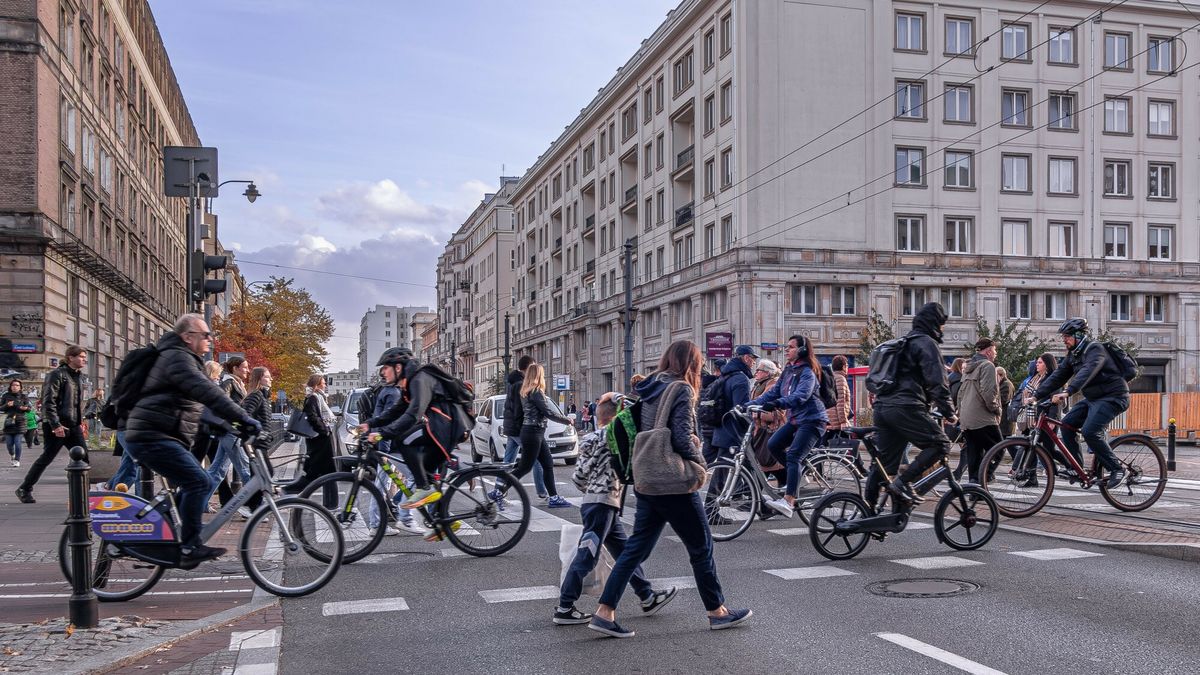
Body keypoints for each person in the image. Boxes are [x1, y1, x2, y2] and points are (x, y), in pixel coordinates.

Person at [589, 340, 751, 638]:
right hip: (672, 482)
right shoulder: (681, 389)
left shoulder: (651, 386)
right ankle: (717, 612)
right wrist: (700, 462)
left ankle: (604, 611)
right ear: (692, 363)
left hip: (647, 476)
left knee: (635, 549)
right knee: (701, 547)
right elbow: (681, 436)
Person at [120, 314, 261, 564]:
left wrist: (229, 425)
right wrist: (245, 418)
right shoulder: (178, 358)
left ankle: (168, 534)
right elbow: (207, 393)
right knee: (199, 482)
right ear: (187, 337)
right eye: (205, 335)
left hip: (159, 435)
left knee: (194, 483)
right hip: (151, 436)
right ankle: (189, 547)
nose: (210, 339)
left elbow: (197, 406)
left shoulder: (185, 359)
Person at [554, 394, 677, 625]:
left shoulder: (590, 438)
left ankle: (647, 595)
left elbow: (578, 478)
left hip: (595, 502)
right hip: (603, 504)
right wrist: (620, 399)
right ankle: (565, 606)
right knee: (587, 556)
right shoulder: (615, 434)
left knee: (624, 553)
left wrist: (591, 487)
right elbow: (635, 411)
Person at [868, 302, 958, 506]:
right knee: (940, 444)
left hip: (882, 407)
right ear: (935, 323)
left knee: (885, 463)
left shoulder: (903, 343)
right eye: (942, 324)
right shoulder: (926, 343)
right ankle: (903, 484)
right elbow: (937, 382)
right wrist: (949, 412)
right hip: (905, 407)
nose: (942, 329)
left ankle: (868, 508)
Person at [361, 348, 466, 514]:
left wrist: (383, 433)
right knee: (428, 476)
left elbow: (412, 415)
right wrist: (370, 423)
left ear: (398, 367)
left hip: (446, 427)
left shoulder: (419, 380)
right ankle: (443, 521)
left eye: (385, 367)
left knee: (403, 440)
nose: (382, 372)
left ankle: (423, 488)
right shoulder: (410, 384)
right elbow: (395, 411)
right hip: (443, 428)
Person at [1035, 318, 1130, 488]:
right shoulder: (1073, 355)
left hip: (1113, 397)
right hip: (1094, 398)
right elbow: (1058, 376)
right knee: (1066, 425)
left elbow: (1088, 371)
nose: (1064, 340)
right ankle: (1077, 468)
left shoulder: (1095, 349)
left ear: (1079, 335)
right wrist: (1036, 396)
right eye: (1063, 336)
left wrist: (1068, 391)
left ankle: (1117, 469)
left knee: (1090, 431)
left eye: (1067, 336)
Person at [746, 335, 828, 515]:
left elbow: (801, 396)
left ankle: (789, 501)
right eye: (787, 346)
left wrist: (777, 403)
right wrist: (748, 404)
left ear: (802, 350)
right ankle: (795, 475)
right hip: (796, 420)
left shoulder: (807, 372)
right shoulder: (788, 371)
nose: (786, 349)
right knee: (773, 444)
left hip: (812, 420)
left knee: (793, 456)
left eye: (791, 347)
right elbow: (773, 392)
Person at [16, 345, 88, 504]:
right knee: (47, 457)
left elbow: (75, 404)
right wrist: (56, 425)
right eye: (81, 357)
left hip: (73, 425)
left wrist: (79, 422)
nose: (84, 360)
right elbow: (49, 402)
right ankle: (25, 488)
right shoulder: (57, 375)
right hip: (57, 425)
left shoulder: (78, 376)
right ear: (71, 357)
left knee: (84, 458)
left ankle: (83, 494)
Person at [495, 362, 572, 508]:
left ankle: (554, 497)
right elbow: (547, 412)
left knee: (547, 464)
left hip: (533, 432)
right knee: (525, 467)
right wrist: (566, 420)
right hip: (533, 432)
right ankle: (499, 491)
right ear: (538, 375)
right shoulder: (536, 392)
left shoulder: (526, 391)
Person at [366, 361, 423, 535]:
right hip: (391, 447)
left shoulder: (386, 391)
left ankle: (377, 524)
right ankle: (403, 518)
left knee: (380, 485)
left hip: (386, 446)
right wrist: (384, 450)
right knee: (414, 477)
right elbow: (390, 420)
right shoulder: (393, 393)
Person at [205, 357, 254, 516]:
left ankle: (200, 502)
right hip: (231, 433)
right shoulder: (228, 383)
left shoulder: (236, 382)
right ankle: (254, 505)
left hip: (231, 432)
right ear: (235, 369)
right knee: (245, 469)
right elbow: (223, 407)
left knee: (217, 470)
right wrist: (237, 423)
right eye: (244, 367)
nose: (247, 370)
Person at [285, 374, 338, 504]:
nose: (325, 385)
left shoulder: (317, 397)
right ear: (317, 385)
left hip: (319, 440)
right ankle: (286, 491)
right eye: (323, 383)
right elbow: (313, 417)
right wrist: (324, 430)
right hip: (320, 441)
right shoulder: (314, 397)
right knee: (318, 473)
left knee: (325, 473)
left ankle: (330, 504)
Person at [957, 338, 1002, 484]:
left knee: (974, 453)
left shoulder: (969, 367)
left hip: (967, 418)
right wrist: (996, 410)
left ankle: (974, 486)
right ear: (988, 351)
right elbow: (988, 394)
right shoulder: (988, 366)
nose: (995, 353)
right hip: (982, 418)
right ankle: (984, 478)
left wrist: (961, 415)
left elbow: (960, 394)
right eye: (994, 350)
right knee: (999, 449)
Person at [502, 355, 547, 500]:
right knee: (536, 460)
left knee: (508, 462)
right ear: (528, 368)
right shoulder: (521, 384)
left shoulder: (513, 382)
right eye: (533, 366)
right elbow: (519, 409)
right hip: (519, 428)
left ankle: (498, 490)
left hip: (511, 427)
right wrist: (523, 428)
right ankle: (542, 491)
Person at [236, 367, 275, 514]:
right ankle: (251, 506)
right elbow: (245, 415)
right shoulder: (256, 396)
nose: (271, 379)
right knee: (265, 472)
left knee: (259, 474)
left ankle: (252, 505)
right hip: (256, 442)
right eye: (267, 377)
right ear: (259, 379)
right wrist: (257, 432)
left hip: (261, 441)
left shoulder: (264, 396)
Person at [708, 345, 756, 465]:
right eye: (753, 358)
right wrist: (750, 427)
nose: (754, 362)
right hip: (734, 433)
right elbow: (741, 409)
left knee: (722, 470)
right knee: (734, 471)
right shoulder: (741, 378)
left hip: (721, 430)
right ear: (746, 358)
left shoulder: (725, 375)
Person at [824, 355, 854, 442]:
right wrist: (843, 421)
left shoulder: (831, 377)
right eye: (847, 366)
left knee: (828, 445)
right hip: (837, 421)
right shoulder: (840, 379)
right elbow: (840, 402)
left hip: (830, 419)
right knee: (846, 445)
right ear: (844, 366)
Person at [3, 380, 31, 467]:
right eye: (13, 385)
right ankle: (12, 454)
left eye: (17, 385)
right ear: (10, 387)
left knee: (18, 442)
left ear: (20, 387)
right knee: (9, 444)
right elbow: (1, 408)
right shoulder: (6, 396)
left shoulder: (24, 396)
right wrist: (7, 405)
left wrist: (25, 408)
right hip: (8, 423)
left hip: (20, 422)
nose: (15, 387)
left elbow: (29, 408)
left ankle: (17, 460)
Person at [997, 367, 1015, 437]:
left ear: (1001, 375)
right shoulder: (1003, 384)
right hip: (1003, 420)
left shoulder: (1006, 385)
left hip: (1005, 420)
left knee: (1006, 440)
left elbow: (1003, 400)